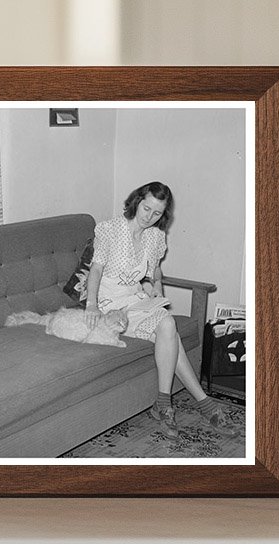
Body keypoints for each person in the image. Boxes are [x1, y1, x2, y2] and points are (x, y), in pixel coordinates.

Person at [84, 181, 229, 437]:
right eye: (146, 208)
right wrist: (92, 305)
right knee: (170, 331)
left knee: (167, 324)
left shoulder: (155, 236)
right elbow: (96, 269)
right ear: (136, 202)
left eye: (157, 213)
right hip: (110, 305)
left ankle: (164, 403)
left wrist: (155, 290)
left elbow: (154, 273)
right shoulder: (109, 229)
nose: (149, 216)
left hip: (136, 299)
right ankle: (199, 402)